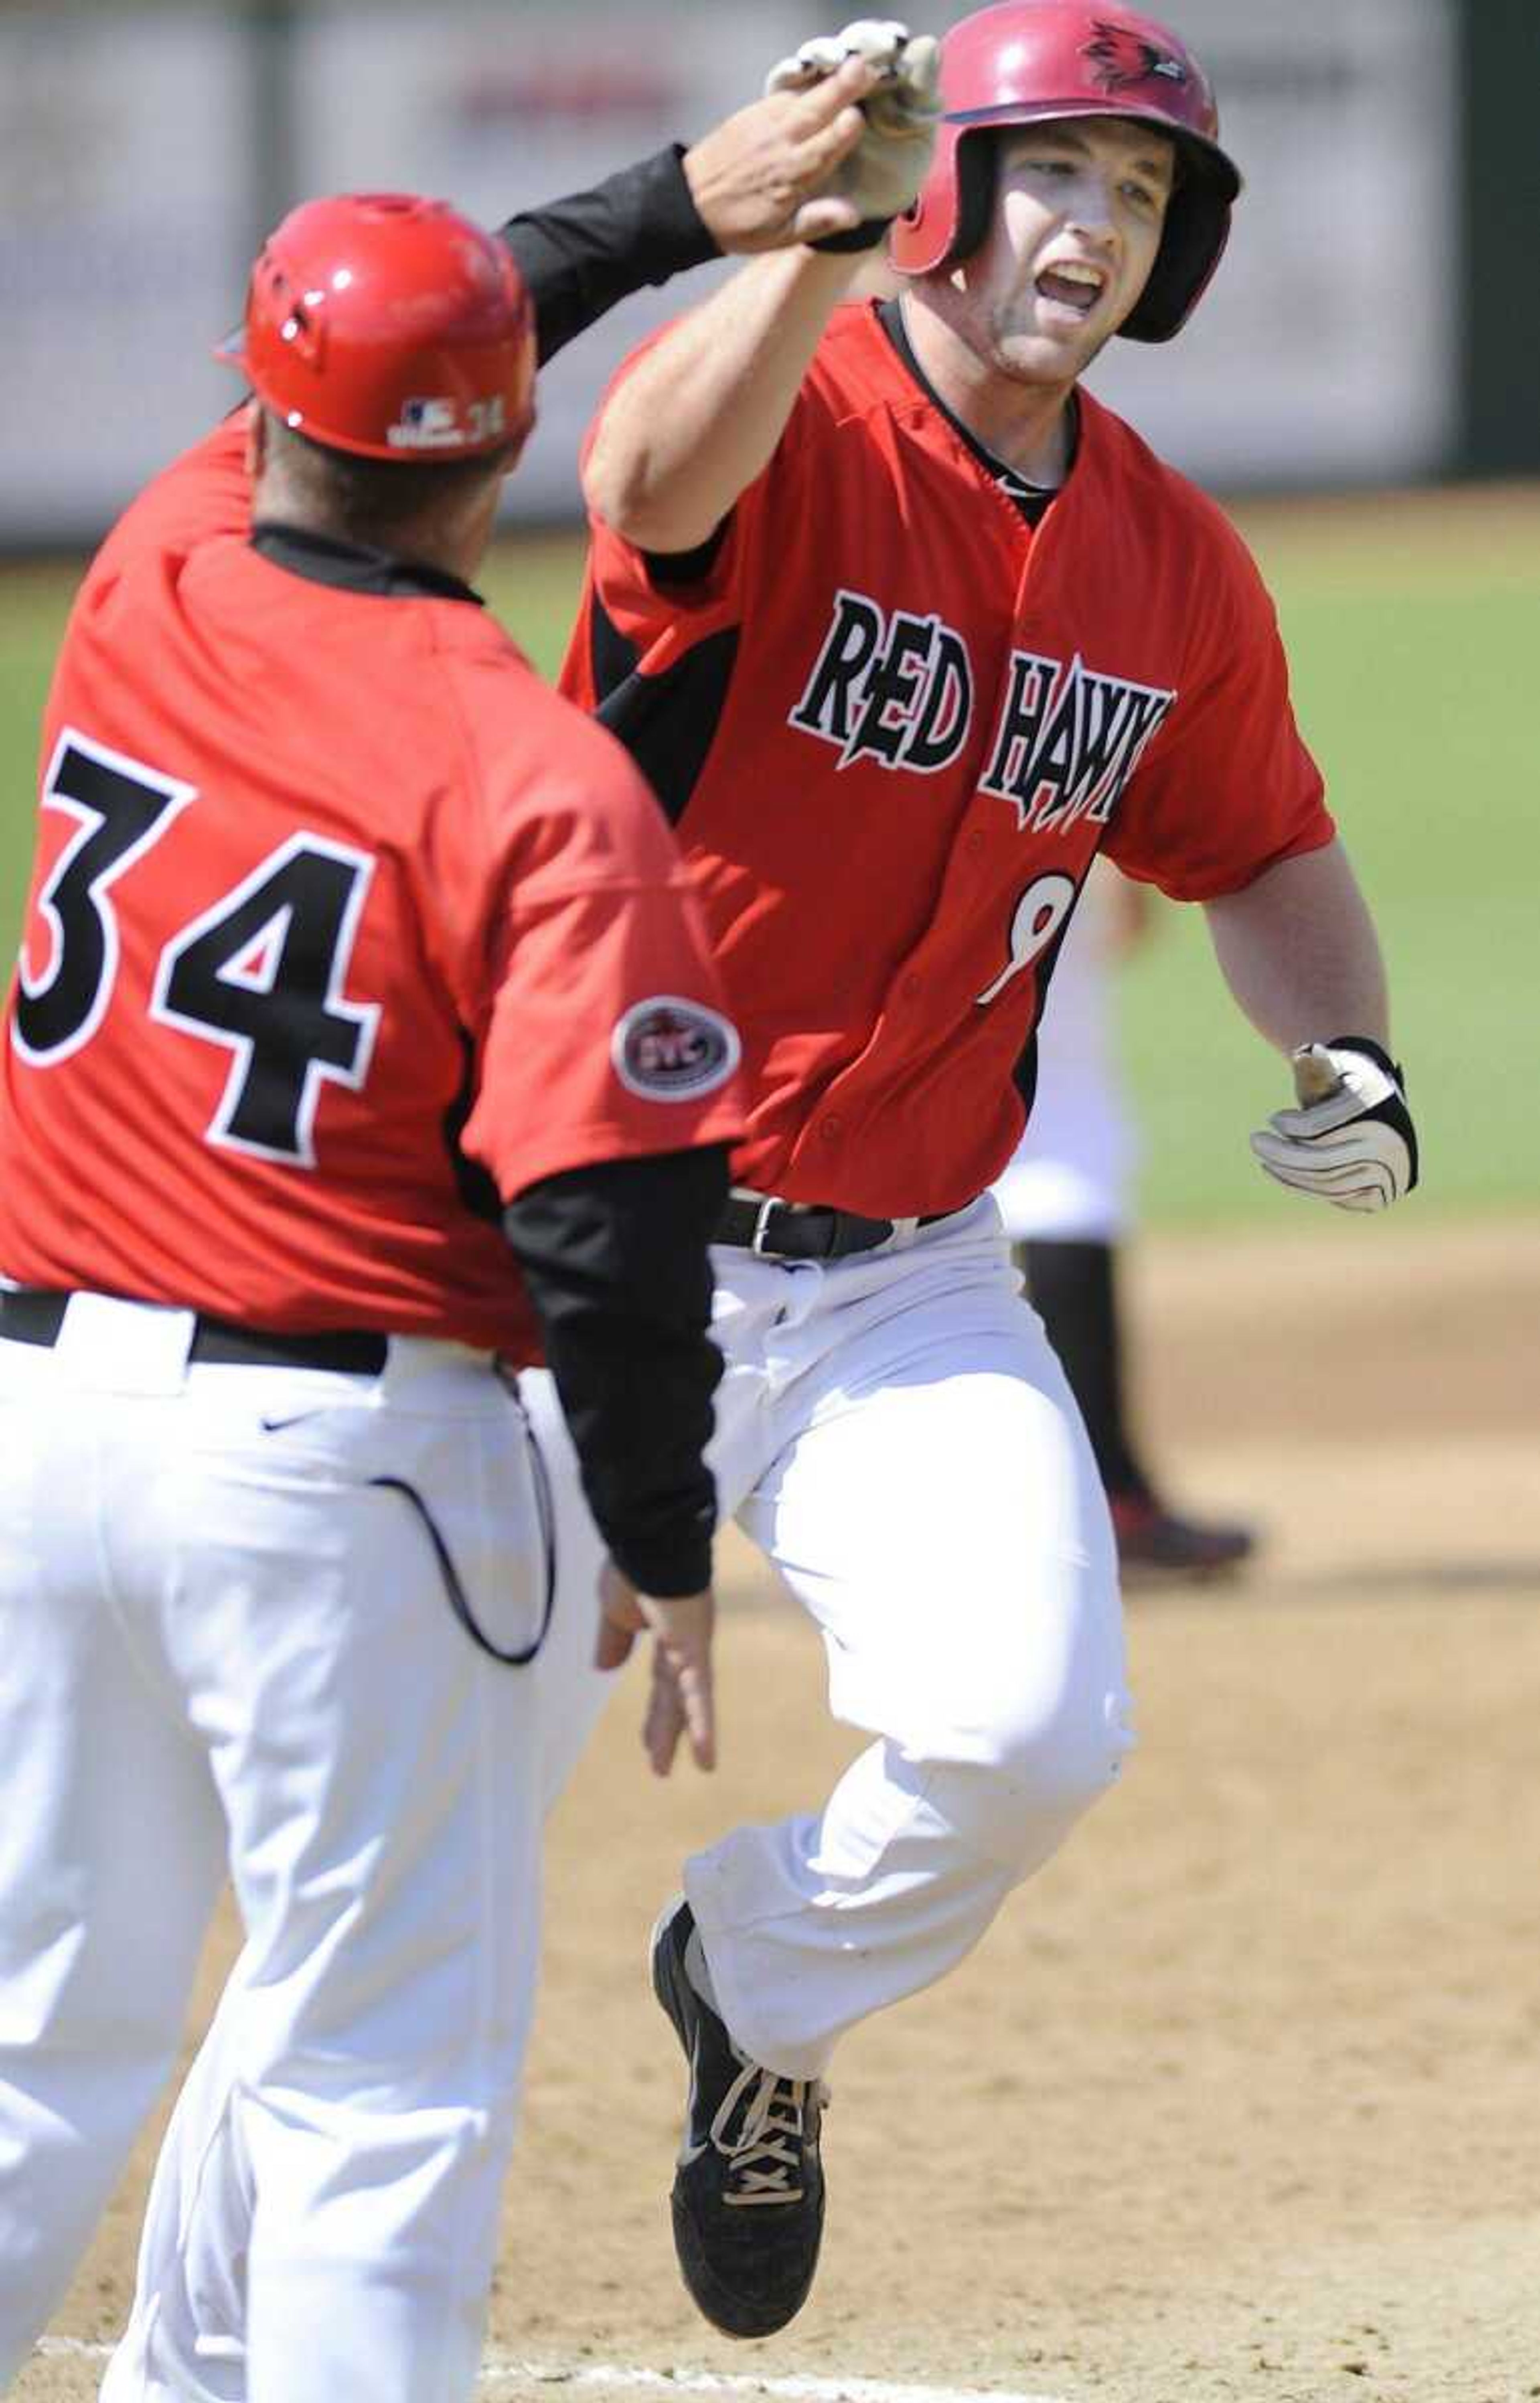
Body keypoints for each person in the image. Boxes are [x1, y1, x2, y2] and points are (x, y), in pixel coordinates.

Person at [26, 55, 903, 2403]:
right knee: (376, 2089)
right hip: (332, 1465)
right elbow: (612, 1221)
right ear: (511, 454)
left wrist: (679, 210)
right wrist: (660, 1534)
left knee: (31, 2051)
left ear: (264, 411)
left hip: (31, 1419)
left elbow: (445, 320)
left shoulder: (149, 561)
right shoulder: (534, 769)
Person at [552, 2, 1418, 2342]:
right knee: (395, 1819)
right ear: (941, 191)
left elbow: (1261, 848)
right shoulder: (797, 413)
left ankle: (755, 1980)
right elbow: (641, 482)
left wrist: (1343, 1040)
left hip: (904, 1273)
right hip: (567, 1248)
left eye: (1141, 199)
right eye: (1059, 176)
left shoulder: (1165, 557)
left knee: (1032, 1719)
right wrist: (806, 261)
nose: (1097, 233)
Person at [992, 858, 1257, 1576]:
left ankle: (1104, 1492)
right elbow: (1128, 925)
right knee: (1066, 1156)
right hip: (1042, 839)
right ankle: (1109, 1497)